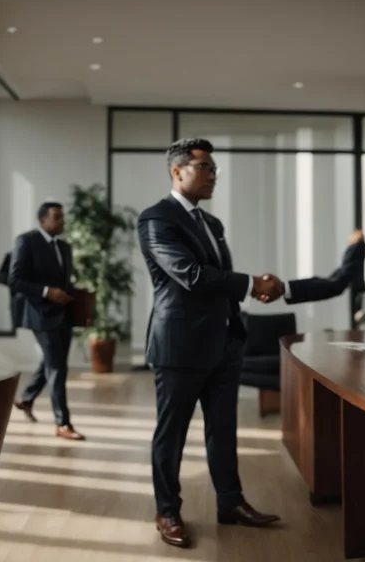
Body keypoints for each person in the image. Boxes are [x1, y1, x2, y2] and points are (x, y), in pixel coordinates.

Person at [138, 138, 282, 548]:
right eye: (205, 168)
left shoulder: (211, 223)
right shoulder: (156, 219)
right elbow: (191, 274)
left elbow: (220, 281)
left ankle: (230, 503)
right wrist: (252, 284)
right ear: (177, 171)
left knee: (223, 430)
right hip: (179, 346)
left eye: (215, 169)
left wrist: (247, 296)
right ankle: (168, 511)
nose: (213, 175)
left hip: (224, 343)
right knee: (172, 434)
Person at [9, 202, 85, 441]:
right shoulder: (26, 241)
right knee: (58, 368)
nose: (62, 221)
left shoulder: (64, 247)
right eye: (57, 217)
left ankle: (26, 398)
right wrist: (46, 292)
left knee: (54, 362)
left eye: (63, 216)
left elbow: (64, 282)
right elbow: (15, 280)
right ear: (43, 220)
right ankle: (63, 423)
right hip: (40, 314)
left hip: (64, 314)